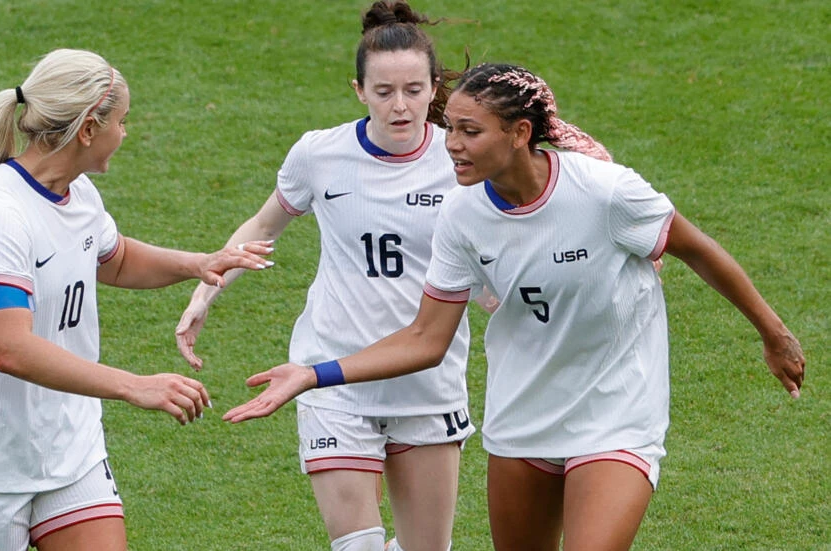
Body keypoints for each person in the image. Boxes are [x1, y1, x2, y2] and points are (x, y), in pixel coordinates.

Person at [222, 62, 807, 551]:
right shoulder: (462, 214)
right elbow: (425, 340)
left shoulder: (606, 194)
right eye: (449, 128)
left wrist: (773, 333)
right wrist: (313, 373)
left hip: (614, 417)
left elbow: (699, 251)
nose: (450, 145)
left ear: (520, 132)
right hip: (520, 423)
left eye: (469, 132)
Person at [0, 48, 273, 551]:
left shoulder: (78, 196)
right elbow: (11, 348)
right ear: (87, 130)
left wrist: (199, 263)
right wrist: (132, 386)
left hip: (69, 450)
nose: (126, 133)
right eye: (122, 121)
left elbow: (115, 259)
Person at [174, 3, 483, 550]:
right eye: (384, 91)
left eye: (414, 90)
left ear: (435, 87)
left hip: (427, 386)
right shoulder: (320, 155)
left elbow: (495, 255)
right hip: (330, 378)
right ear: (358, 90)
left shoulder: (461, 162)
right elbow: (263, 226)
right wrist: (206, 291)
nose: (401, 106)